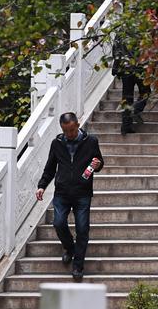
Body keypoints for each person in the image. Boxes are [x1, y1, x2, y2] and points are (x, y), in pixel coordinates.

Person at [35, 111, 104, 281]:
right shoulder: (57, 143)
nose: (69, 134)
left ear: (78, 125)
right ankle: (69, 248)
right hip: (62, 192)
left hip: (83, 193)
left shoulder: (91, 141)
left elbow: (99, 162)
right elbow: (50, 167)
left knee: (82, 229)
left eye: (72, 130)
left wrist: (97, 164)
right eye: (66, 131)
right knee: (58, 223)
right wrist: (42, 186)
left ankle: (78, 266)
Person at [112, 35, 150, 134]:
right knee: (146, 92)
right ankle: (136, 110)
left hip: (126, 69)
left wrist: (116, 67)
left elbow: (115, 50)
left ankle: (126, 126)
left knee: (127, 97)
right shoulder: (143, 30)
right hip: (140, 68)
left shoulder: (120, 32)